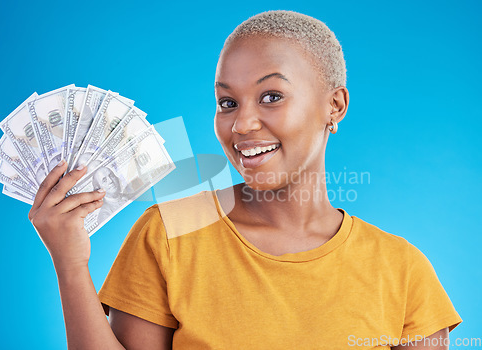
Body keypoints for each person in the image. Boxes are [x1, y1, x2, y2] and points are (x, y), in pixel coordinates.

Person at [28, 10, 462, 349]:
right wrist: (69, 264)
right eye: (227, 102)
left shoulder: (402, 270)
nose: (242, 124)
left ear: (335, 106)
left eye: (271, 96)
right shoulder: (170, 231)